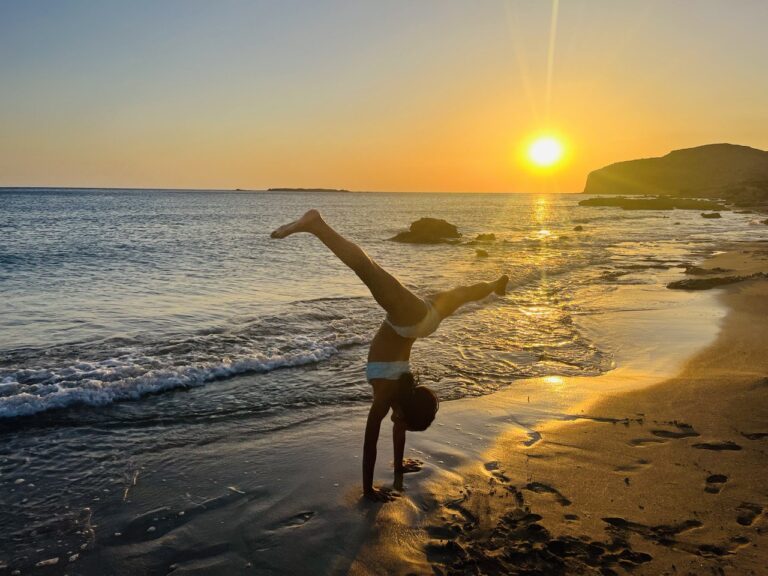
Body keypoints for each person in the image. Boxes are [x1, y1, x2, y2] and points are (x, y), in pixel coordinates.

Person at [271, 210, 508, 501]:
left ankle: (495, 285)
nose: (398, 424)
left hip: (424, 322)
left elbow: (398, 429)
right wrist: (368, 490)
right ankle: (316, 225)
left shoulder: (401, 393)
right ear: (404, 411)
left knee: (463, 294)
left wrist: (398, 469)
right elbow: (369, 444)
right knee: (366, 269)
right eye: (403, 421)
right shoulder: (386, 397)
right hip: (410, 318)